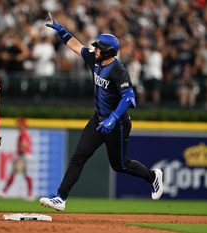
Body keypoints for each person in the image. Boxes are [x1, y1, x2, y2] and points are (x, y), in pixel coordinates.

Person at [39, 13, 163, 212]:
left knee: (120, 165)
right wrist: (60, 29)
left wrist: (113, 119)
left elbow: (130, 97)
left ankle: (153, 176)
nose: (94, 49)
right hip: (98, 119)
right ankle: (60, 198)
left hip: (118, 124)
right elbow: (76, 45)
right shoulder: (94, 59)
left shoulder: (118, 70)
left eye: (98, 47)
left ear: (107, 52)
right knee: (79, 155)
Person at [0, 118, 33, 200]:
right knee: (24, 175)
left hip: (23, 156)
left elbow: (24, 146)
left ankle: (4, 191)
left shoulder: (24, 134)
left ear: (23, 125)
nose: (18, 125)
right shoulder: (24, 133)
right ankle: (30, 194)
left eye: (20, 124)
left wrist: (18, 156)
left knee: (20, 174)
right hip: (24, 156)